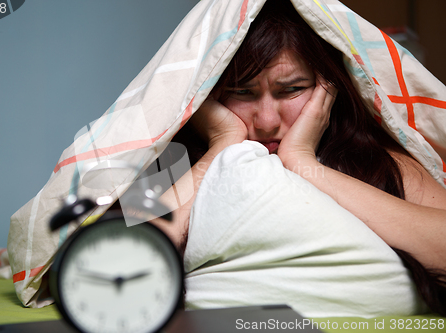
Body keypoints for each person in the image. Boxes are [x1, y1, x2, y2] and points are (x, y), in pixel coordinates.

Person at [149, 0, 446, 315]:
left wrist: (302, 163)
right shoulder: (167, 164)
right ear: (208, 94)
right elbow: (111, 266)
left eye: (290, 90)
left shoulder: (377, 162)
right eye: (241, 92)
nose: (266, 121)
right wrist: (222, 145)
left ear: (328, 89)